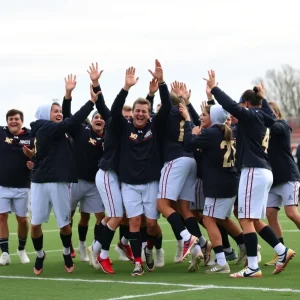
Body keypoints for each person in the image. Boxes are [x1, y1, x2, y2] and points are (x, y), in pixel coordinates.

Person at [206, 70, 295, 278]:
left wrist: (214, 89)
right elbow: (271, 117)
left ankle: (253, 267)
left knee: (245, 219)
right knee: (253, 219)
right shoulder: (264, 116)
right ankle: (282, 251)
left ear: (246, 104)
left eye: (241, 105)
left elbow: (231, 106)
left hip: (253, 171)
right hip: (264, 171)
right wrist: (263, 99)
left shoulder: (251, 115)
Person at [29, 77, 100, 275]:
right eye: (55, 111)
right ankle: (40, 253)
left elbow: (70, 120)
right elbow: (73, 120)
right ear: (45, 114)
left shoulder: (60, 130)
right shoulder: (44, 127)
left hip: (60, 181)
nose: (59, 114)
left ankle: (67, 251)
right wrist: (91, 102)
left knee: (64, 224)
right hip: (40, 181)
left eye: (60, 111)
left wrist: (68, 95)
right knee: (35, 223)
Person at [110, 61, 171, 276]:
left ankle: (149, 249)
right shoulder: (123, 127)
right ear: (133, 112)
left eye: (144, 111)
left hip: (152, 182)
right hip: (129, 184)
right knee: (134, 221)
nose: (140, 114)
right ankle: (138, 262)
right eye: (137, 111)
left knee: (152, 224)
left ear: (149, 113)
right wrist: (126, 87)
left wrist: (162, 82)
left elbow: (168, 108)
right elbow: (114, 110)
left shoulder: (154, 126)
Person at [181, 103, 242, 273]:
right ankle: (245, 244)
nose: (201, 117)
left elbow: (189, 143)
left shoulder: (212, 132)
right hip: (230, 180)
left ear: (213, 117)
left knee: (208, 220)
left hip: (218, 183)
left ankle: (222, 261)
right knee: (222, 218)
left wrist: (188, 125)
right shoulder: (226, 131)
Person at [265, 101, 300, 266]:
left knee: (292, 213)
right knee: (270, 214)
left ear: (277, 114)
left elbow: (277, 126)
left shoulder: (282, 126)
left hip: (288, 177)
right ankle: (281, 252)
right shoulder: (263, 131)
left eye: (271, 112)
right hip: (272, 180)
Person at [0, 109, 34, 265]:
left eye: (16, 119)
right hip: (2, 185)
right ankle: (5, 253)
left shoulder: (31, 136)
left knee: (22, 219)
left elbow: (38, 156)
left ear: (22, 121)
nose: (13, 121)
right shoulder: (2, 133)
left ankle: (21, 249)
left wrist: (32, 161)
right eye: (10, 119)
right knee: (2, 217)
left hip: (22, 186)